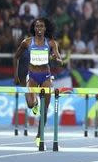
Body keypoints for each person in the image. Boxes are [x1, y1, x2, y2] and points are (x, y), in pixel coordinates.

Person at [13, 18, 63, 147]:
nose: (39, 28)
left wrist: (55, 58)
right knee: (30, 104)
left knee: (44, 110)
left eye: (41, 26)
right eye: (37, 26)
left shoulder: (51, 43)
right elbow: (16, 57)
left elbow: (60, 60)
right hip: (33, 76)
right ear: (34, 28)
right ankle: (35, 103)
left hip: (46, 76)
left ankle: (39, 136)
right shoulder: (27, 42)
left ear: (46, 29)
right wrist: (16, 75)